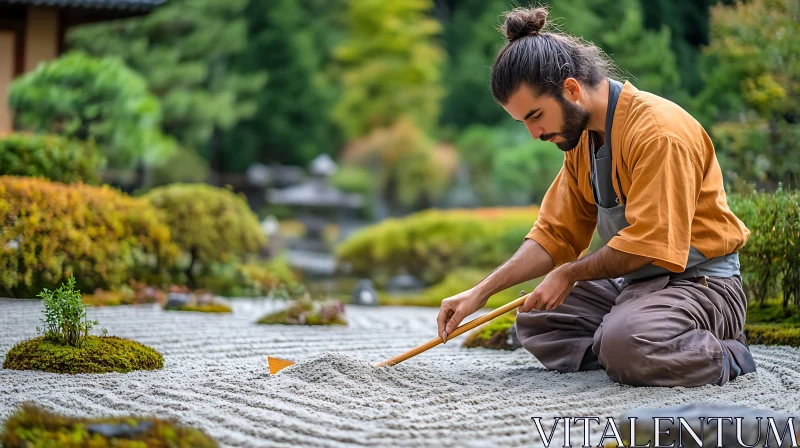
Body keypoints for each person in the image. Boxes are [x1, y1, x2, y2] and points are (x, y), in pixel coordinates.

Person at [436, 6, 757, 387]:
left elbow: (649, 246)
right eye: (524, 122)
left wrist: (570, 273)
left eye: (536, 116)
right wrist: (481, 293)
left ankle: (723, 352)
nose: (534, 134)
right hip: (635, 285)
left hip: (700, 286)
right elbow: (555, 236)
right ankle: (631, 344)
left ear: (571, 89)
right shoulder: (580, 139)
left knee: (624, 342)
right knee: (536, 317)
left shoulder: (658, 133)